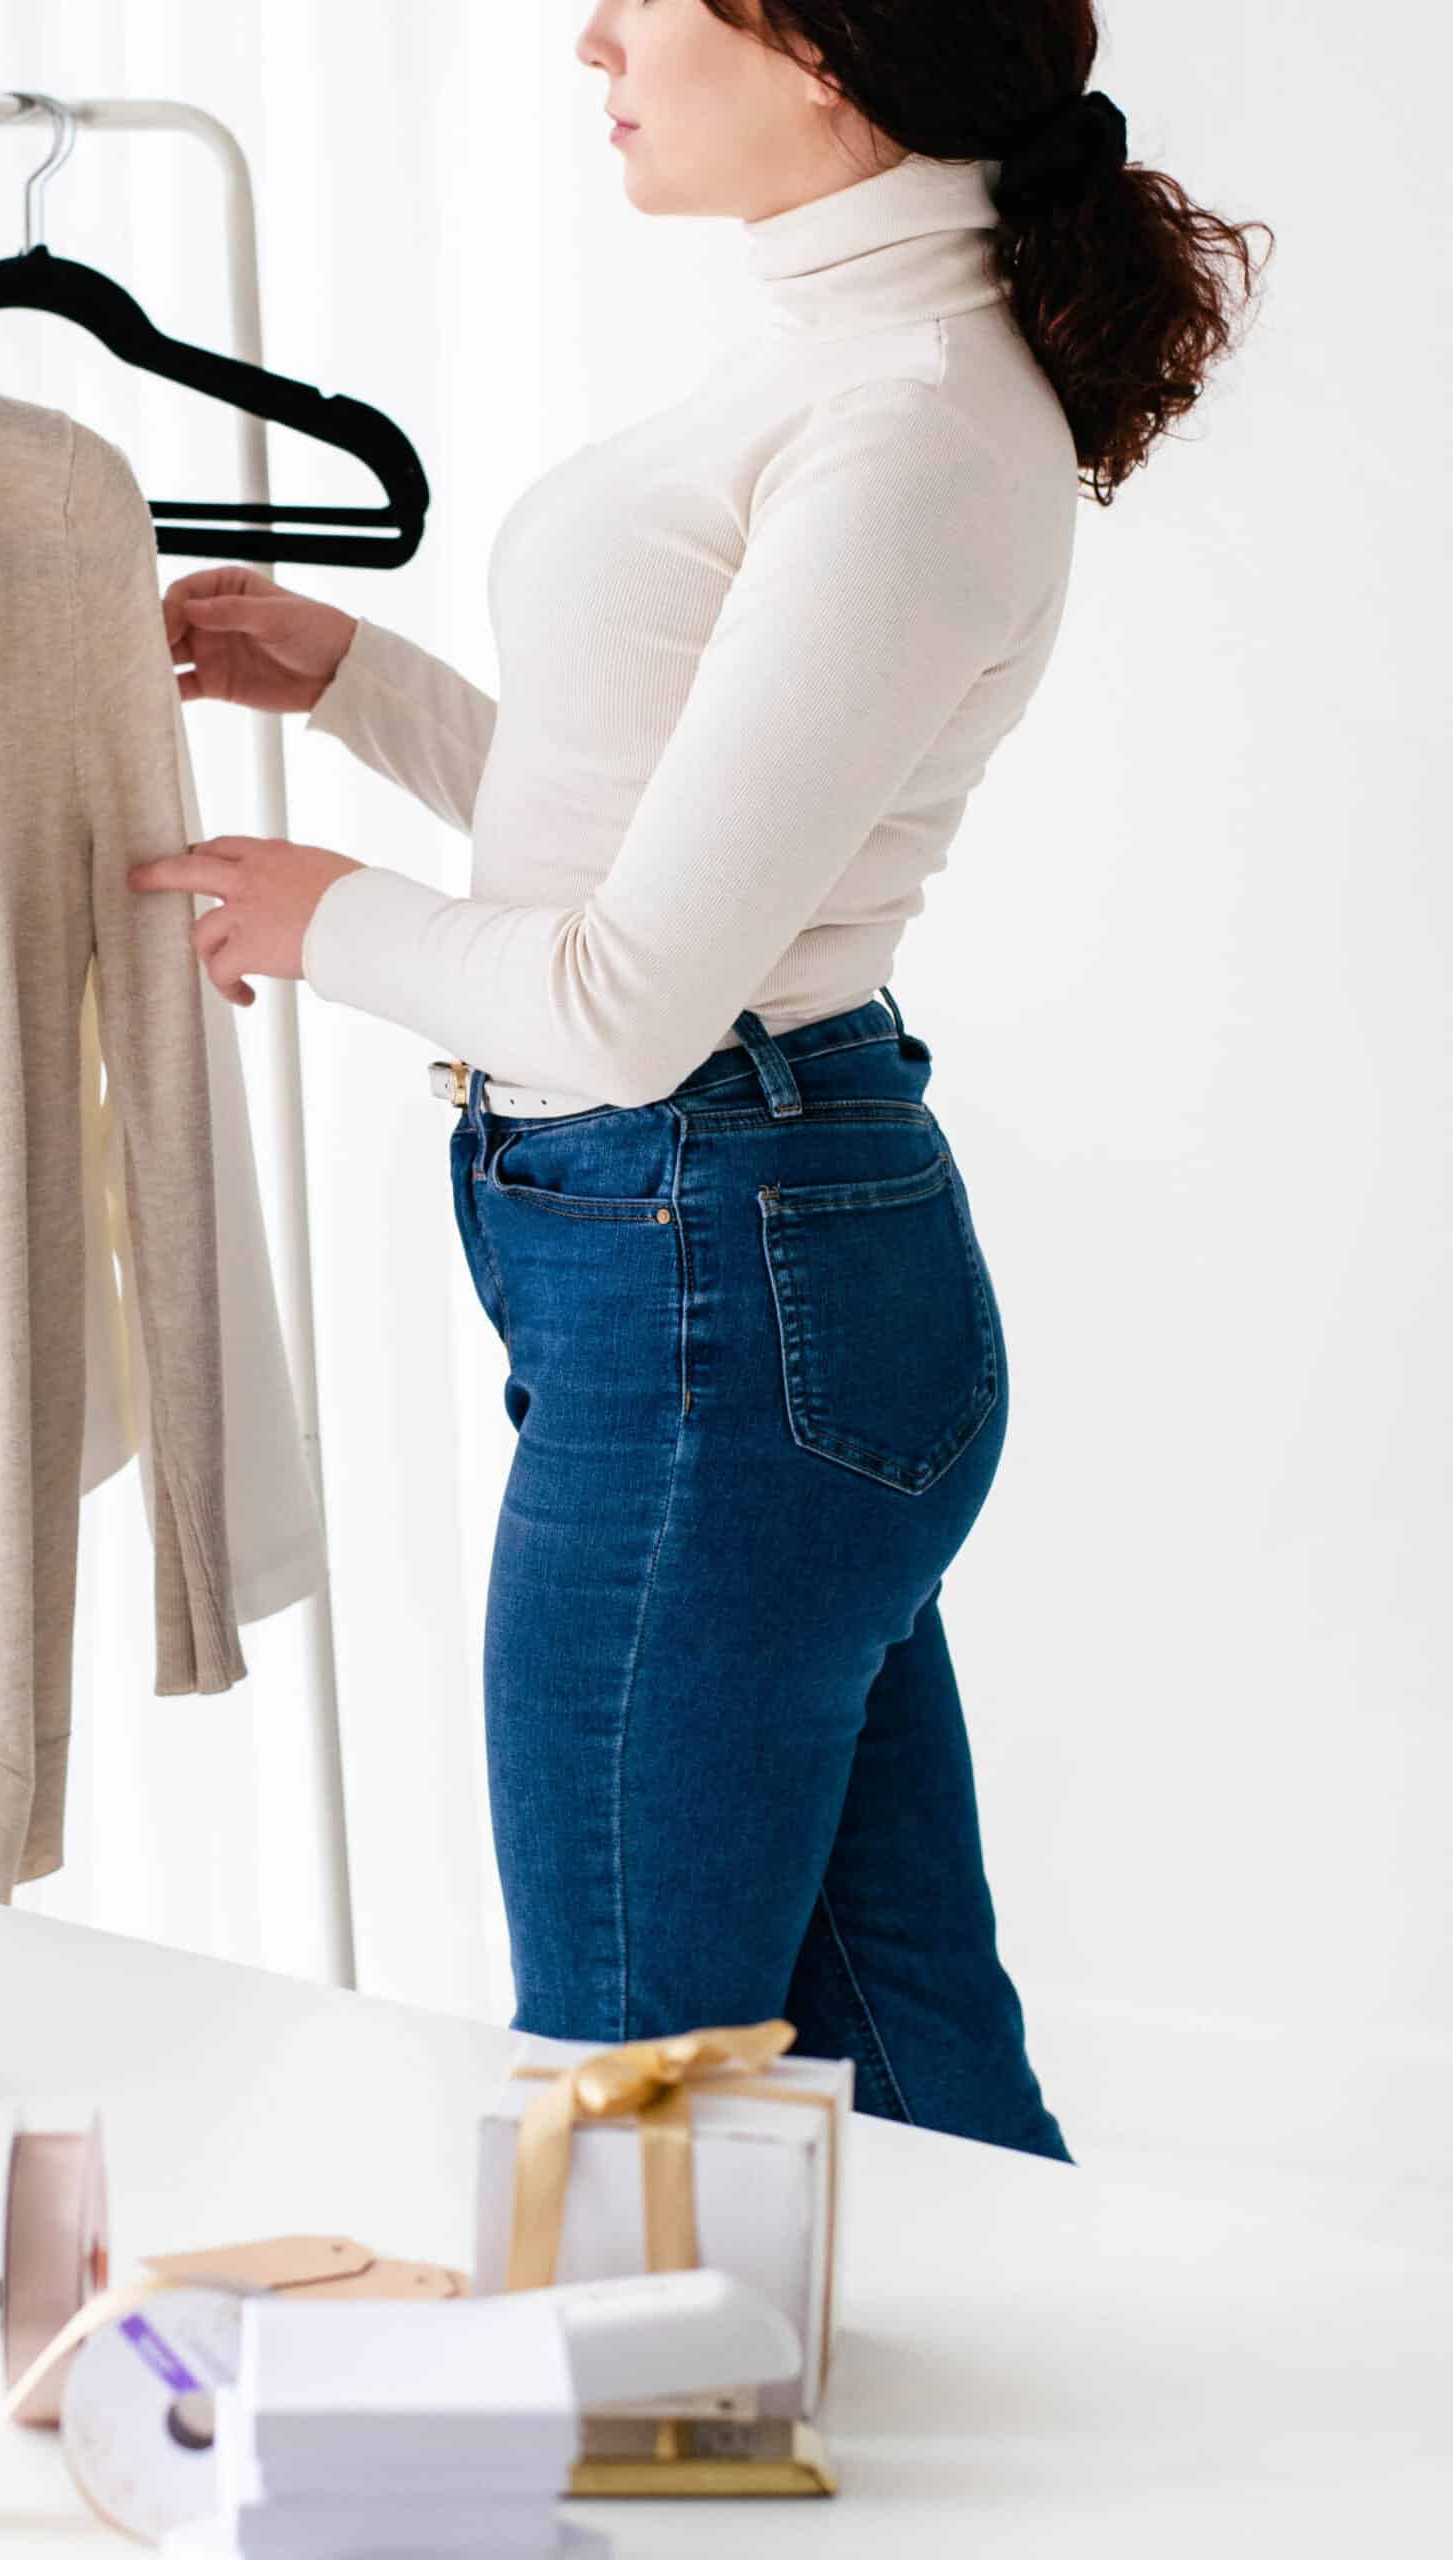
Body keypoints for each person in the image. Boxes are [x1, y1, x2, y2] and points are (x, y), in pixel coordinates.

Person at [133, 0, 1267, 2159]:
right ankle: (1033, 2388)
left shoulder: (910, 417)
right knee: (903, 2071)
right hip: (727, 1268)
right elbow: (673, 856)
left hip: (718, 1282)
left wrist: (324, 915)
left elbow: (624, 998)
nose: (590, 39)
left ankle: (627, 2390)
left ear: (824, 47)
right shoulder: (857, 369)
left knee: (623, 2066)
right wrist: (361, 685)